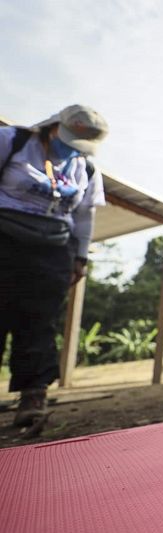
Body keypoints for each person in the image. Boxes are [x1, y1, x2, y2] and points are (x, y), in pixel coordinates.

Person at [0, 105, 109, 428]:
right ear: (53, 127)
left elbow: (84, 216)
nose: (72, 149)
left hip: (52, 250)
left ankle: (33, 395)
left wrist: (80, 257)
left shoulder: (86, 169)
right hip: (5, 238)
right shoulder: (12, 141)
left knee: (39, 322)